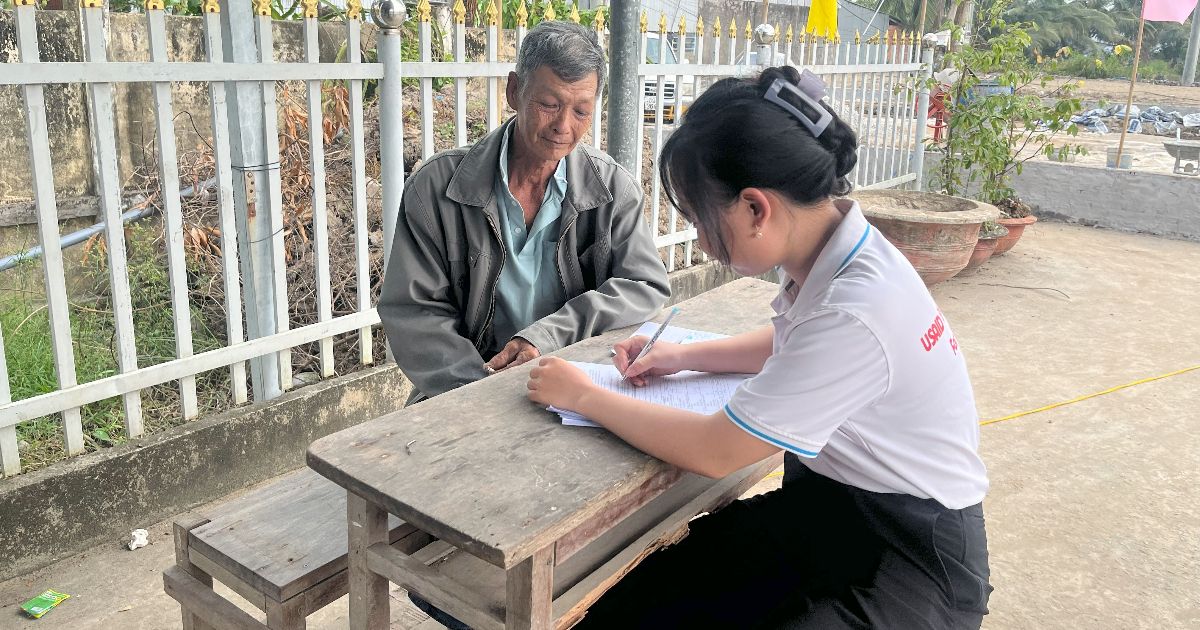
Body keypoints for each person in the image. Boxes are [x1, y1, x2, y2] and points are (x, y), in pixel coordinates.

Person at [527, 66, 993, 629]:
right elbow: (793, 341)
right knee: (639, 599)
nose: (700, 239)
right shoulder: (841, 253)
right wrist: (680, 355)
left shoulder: (857, 306)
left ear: (755, 208)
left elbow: (715, 450)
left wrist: (584, 395)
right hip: (831, 512)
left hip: (911, 560)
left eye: (700, 218)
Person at [379, 21, 670, 406]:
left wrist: (546, 337)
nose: (563, 127)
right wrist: (486, 390)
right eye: (549, 105)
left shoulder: (611, 189)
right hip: (463, 390)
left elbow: (644, 285)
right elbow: (415, 313)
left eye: (581, 111)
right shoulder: (438, 188)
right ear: (514, 91)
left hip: (576, 388)